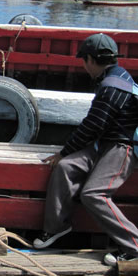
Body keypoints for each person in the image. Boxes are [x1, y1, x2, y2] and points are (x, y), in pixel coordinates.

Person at [33, 33, 138, 267]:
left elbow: (92, 126)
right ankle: (57, 227)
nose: (84, 65)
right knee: (66, 166)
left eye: (84, 60)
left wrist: (63, 150)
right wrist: (65, 157)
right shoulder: (112, 76)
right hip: (104, 143)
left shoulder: (111, 87)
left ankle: (134, 245)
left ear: (90, 59)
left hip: (123, 147)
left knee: (94, 194)